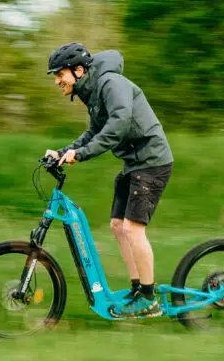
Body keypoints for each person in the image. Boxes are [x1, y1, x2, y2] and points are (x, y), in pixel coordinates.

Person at [44, 42, 173, 318]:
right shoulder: (92, 92)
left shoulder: (110, 83)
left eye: (60, 74)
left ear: (79, 71)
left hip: (151, 162)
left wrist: (82, 154)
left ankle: (148, 299)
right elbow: (93, 132)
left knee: (133, 229)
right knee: (117, 226)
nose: (57, 81)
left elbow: (118, 125)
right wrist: (64, 152)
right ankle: (137, 288)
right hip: (134, 163)